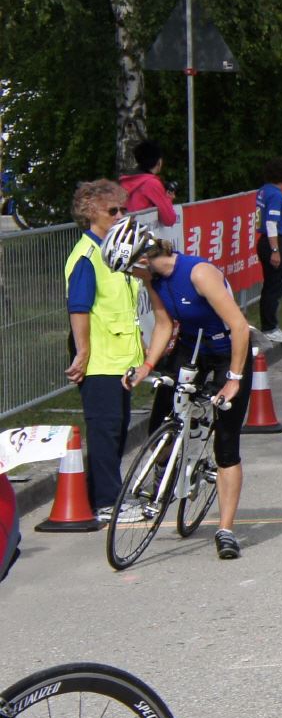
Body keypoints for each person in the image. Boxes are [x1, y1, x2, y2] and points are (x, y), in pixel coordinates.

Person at [105, 218, 253, 559]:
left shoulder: (199, 273)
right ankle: (168, 470)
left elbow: (239, 326)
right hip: (191, 349)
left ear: (143, 259)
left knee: (226, 445)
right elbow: (163, 323)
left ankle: (226, 530)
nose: (131, 277)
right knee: (163, 416)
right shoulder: (152, 279)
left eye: (129, 270)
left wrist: (233, 379)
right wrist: (146, 367)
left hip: (227, 352)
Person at [63, 182, 143, 523]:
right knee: (105, 431)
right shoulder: (87, 256)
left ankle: (99, 495)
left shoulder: (113, 251)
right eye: (113, 211)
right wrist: (82, 352)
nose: (120, 215)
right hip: (100, 360)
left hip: (119, 358)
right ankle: (109, 501)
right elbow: (79, 308)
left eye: (123, 209)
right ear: (90, 212)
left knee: (117, 429)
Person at [255, 157, 282, 342]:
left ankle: (269, 325)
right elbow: (271, 222)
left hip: (266, 241)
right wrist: (275, 250)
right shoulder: (275, 195)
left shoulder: (264, 190)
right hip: (275, 241)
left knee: (270, 285)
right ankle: (270, 327)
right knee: (274, 287)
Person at [118, 142, 176, 230]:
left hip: (126, 231)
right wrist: (168, 199)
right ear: (159, 162)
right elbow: (169, 220)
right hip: (143, 233)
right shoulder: (151, 183)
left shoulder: (125, 180)